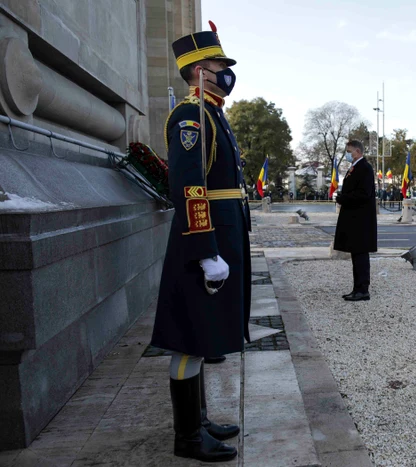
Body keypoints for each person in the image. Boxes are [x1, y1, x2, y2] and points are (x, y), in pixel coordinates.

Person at [150, 23, 251, 462]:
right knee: (190, 337)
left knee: (205, 331)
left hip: (221, 233)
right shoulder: (191, 116)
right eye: (216, 66)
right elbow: (190, 186)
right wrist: (206, 250)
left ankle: (200, 420)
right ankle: (187, 437)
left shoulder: (212, 113)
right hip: (203, 241)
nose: (224, 72)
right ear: (197, 72)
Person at [333, 140, 378, 301]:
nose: (347, 154)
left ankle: (362, 290)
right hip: (355, 219)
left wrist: (343, 198)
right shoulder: (355, 167)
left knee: (360, 255)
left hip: (361, 220)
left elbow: (363, 194)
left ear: (357, 151)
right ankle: (357, 288)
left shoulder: (364, 168)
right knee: (356, 255)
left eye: (349, 151)